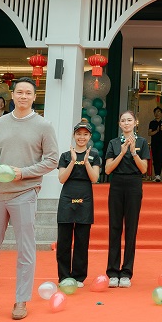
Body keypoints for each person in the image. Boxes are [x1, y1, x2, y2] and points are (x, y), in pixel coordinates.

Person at [0, 77, 58, 320]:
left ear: (34, 97)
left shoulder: (44, 125)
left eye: (28, 93)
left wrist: (24, 173)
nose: (23, 96)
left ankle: (21, 300)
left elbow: (52, 159)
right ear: (12, 95)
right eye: (19, 92)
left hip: (25, 193)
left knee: (25, 250)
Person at [104, 111, 150, 287]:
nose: (126, 123)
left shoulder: (142, 142)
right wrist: (122, 153)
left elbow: (144, 169)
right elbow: (108, 169)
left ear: (135, 122)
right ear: (119, 124)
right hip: (116, 184)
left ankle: (126, 272)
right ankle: (112, 271)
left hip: (134, 184)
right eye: (123, 120)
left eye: (129, 120)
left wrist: (133, 152)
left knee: (131, 228)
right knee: (114, 227)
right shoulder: (114, 143)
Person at [56, 122, 101, 286]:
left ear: (89, 137)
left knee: (82, 240)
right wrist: (73, 162)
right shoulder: (66, 156)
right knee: (64, 241)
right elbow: (61, 179)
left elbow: (95, 178)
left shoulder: (94, 155)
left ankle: (78, 276)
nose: (81, 137)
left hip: (85, 196)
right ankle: (64, 276)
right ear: (74, 136)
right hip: (67, 196)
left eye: (85, 134)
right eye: (79, 134)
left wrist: (86, 162)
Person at [148, 106, 162, 181]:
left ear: (161, 113)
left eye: (158, 112)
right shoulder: (152, 122)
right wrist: (156, 131)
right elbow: (149, 133)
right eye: (155, 112)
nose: (157, 114)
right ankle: (156, 175)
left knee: (160, 157)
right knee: (155, 158)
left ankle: (158, 175)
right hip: (154, 143)